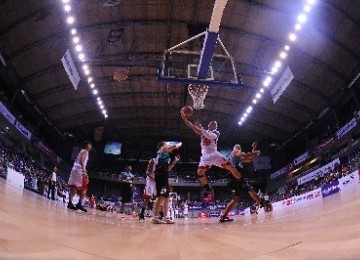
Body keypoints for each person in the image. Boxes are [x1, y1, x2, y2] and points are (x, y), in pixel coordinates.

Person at [180, 110, 243, 195]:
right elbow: (191, 126)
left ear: (216, 127)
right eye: (212, 123)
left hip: (215, 155)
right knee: (199, 173)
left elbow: (209, 136)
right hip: (206, 156)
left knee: (231, 167)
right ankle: (207, 187)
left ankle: (242, 181)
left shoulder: (216, 132)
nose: (214, 124)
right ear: (209, 125)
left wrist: (200, 128)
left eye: (215, 124)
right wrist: (183, 117)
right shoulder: (202, 132)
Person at [220, 142, 270, 222]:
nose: (238, 149)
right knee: (245, 193)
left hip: (240, 179)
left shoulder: (241, 159)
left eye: (239, 148)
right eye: (237, 148)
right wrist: (254, 152)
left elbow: (251, 158)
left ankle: (262, 203)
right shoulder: (233, 154)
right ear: (234, 149)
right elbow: (247, 155)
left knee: (247, 193)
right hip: (234, 179)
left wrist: (254, 149)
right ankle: (261, 203)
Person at [152, 142, 181, 224]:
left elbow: (168, 169)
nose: (167, 146)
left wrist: (175, 161)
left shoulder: (166, 156)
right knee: (161, 197)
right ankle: (155, 218)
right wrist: (177, 145)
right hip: (160, 176)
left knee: (166, 197)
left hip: (164, 176)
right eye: (165, 145)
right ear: (162, 147)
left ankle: (165, 218)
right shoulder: (160, 152)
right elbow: (167, 148)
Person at [67, 140, 92, 212]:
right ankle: (79, 204)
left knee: (74, 187)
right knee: (85, 188)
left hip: (75, 169)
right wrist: (84, 171)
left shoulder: (82, 151)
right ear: (86, 146)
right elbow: (82, 161)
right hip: (80, 171)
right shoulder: (85, 151)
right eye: (89, 145)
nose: (90, 146)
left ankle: (70, 203)